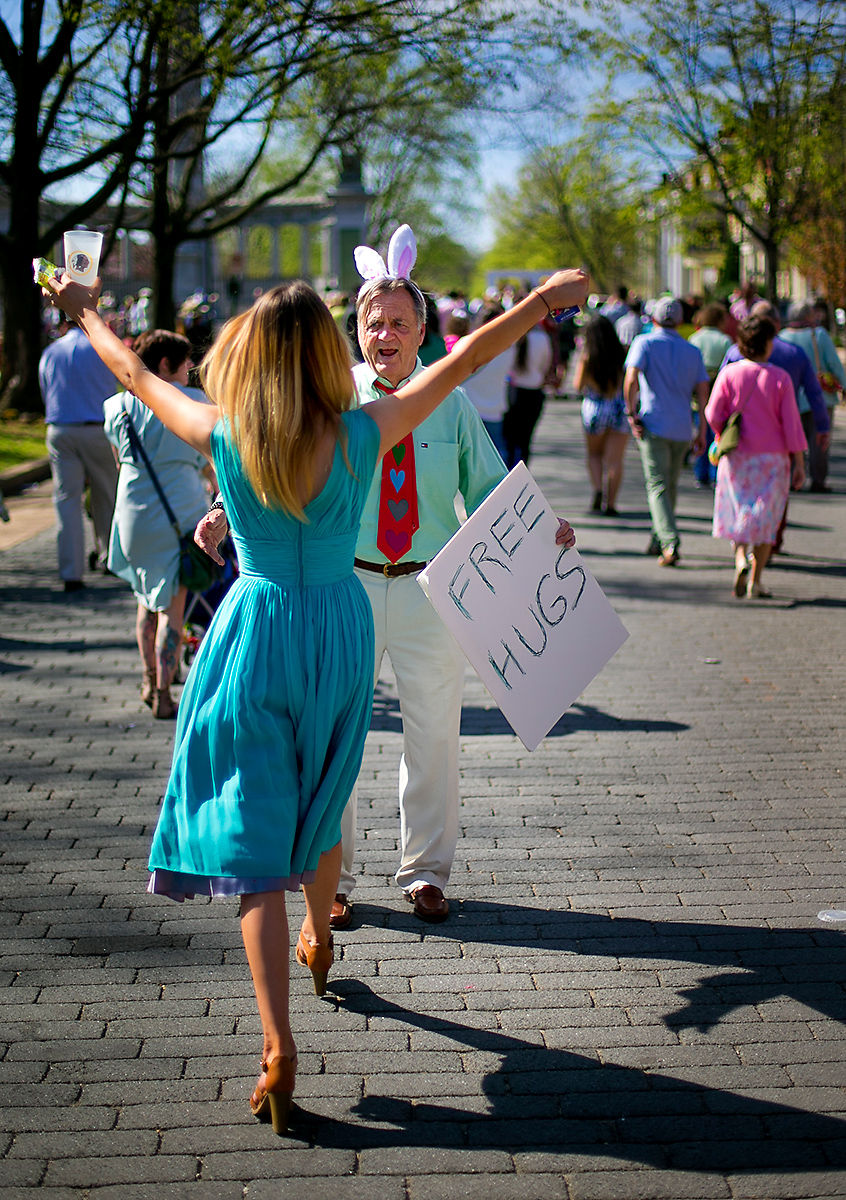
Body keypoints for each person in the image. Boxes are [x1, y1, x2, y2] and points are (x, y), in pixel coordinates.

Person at [44, 255, 588, 1134]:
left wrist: (83, 312)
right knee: (327, 790)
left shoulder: (223, 431)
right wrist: (539, 301)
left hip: (255, 633)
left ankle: (276, 1040)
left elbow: (132, 373)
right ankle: (324, 934)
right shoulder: (364, 430)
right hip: (340, 629)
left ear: (252, 354)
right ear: (332, 353)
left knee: (255, 835)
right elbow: (467, 360)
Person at [196, 228, 584, 932]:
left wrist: (545, 530)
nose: (385, 334)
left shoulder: (452, 404)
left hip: (431, 591)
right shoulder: (330, 399)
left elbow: (494, 493)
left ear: (421, 332)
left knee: (434, 737)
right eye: (373, 322)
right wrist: (224, 510)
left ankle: (426, 874)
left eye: (399, 322)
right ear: (357, 332)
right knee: (334, 737)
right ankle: (330, 879)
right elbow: (272, 465)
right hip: (343, 592)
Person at [103, 330, 214, 718]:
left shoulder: (114, 407)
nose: (189, 375)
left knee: (144, 599)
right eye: (186, 366)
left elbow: (120, 459)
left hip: (132, 513)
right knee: (173, 606)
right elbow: (207, 459)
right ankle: (165, 694)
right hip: (180, 512)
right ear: (166, 365)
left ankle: (149, 678)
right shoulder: (194, 401)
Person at [705, 314, 806, 599]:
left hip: (737, 455)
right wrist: (799, 462)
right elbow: (792, 425)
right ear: (768, 344)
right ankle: (756, 580)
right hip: (773, 458)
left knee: (740, 510)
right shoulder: (780, 378)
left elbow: (712, 413)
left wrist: (720, 433)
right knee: (765, 518)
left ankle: (739, 559)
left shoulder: (730, 373)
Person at [623, 296, 710, 566]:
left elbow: (631, 379)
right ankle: (658, 538)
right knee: (669, 486)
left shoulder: (645, 343)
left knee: (658, 485)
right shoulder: (692, 351)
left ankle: (670, 541)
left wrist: (630, 412)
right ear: (681, 321)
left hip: (654, 422)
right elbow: (703, 393)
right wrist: (702, 430)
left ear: (654, 319)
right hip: (682, 426)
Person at [38, 315, 119, 591]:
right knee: (107, 494)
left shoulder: (51, 351)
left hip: (61, 428)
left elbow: (45, 390)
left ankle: (71, 571)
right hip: (98, 427)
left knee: (66, 500)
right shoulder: (102, 347)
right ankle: (111, 558)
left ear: (63, 325)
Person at [779, 300, 845, 493]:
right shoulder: (820, 335)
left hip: (790, 398)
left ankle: (792, 477)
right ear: (809, 316)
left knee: (791, 439)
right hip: (820, 397)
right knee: (819, 442)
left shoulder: (781, 338)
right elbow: (834, 365)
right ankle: (818, 480)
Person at [572, 315, 629, 515]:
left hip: (595, 408)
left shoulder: (588, 355)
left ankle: (597, 489)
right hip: (618, 407)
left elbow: (577, 385)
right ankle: (611, 503)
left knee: (594, 454)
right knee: (615, 460)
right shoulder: (622, 353)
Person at [689, 303, 733, 488]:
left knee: (701, 432)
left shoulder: (694, 338)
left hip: (697, 393)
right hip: (718, 393)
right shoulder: (725, 340)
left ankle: (701, 473)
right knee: (717, 434)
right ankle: (716, 472)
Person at [502, 308, 554, 468]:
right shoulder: (542, 338)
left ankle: (507, 474)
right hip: (534, 393)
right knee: (526, 440)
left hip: (514, 392)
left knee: (510, 440)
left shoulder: (514, 338)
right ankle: (522, 475)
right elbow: (546, 364)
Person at [458, 303, 510, 460]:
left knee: (470, 459)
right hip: (495, 409)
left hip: (470, 408)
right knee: (497, 459)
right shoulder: (509, 347)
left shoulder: (469, 345)